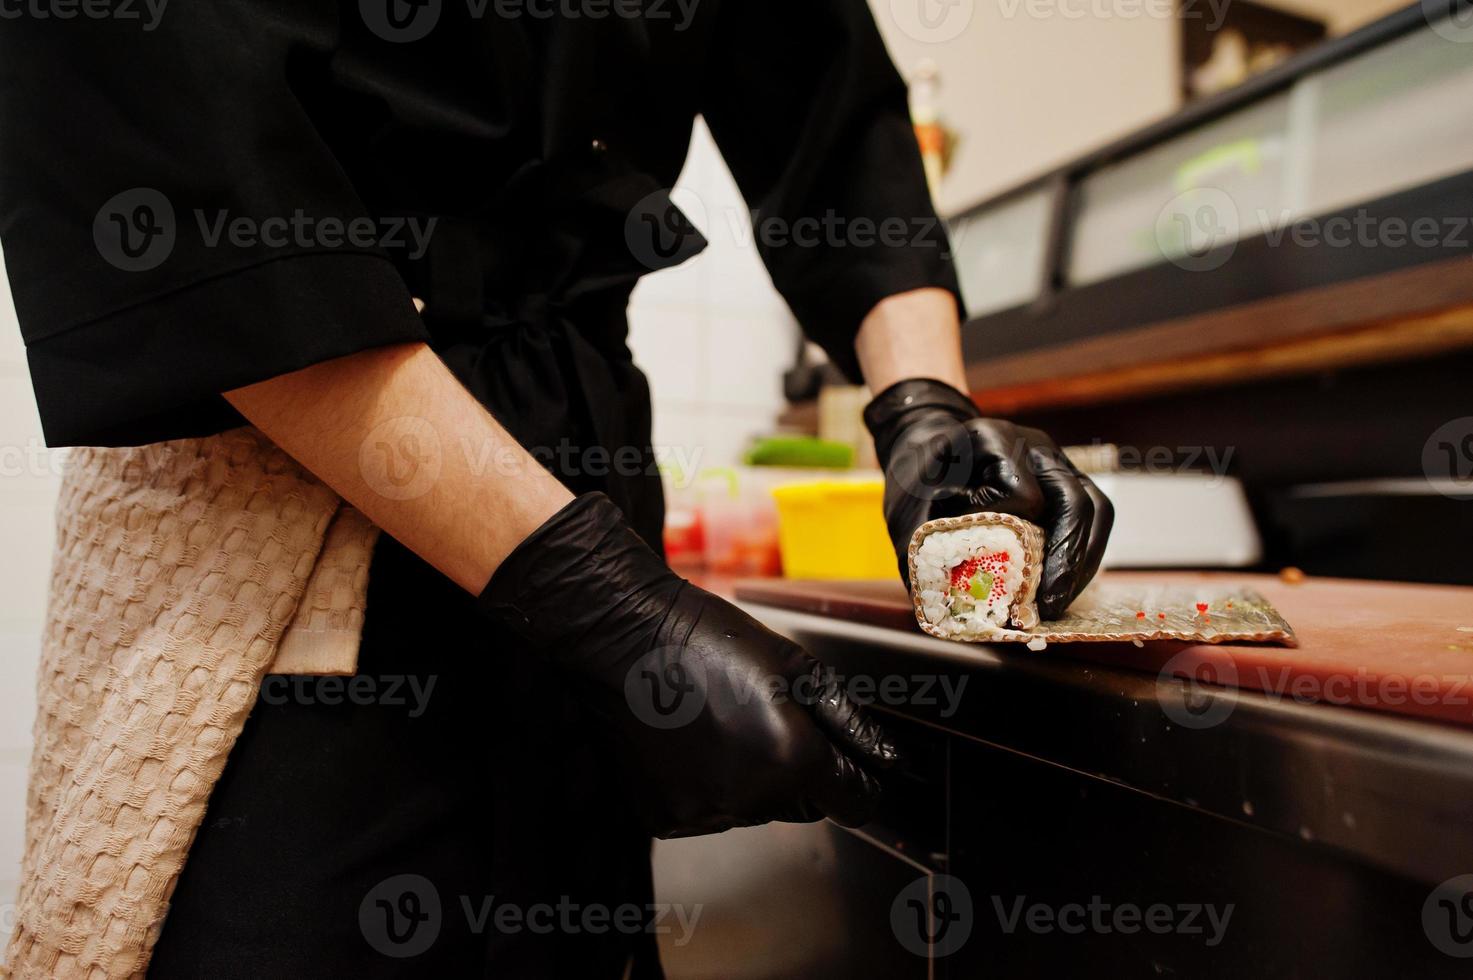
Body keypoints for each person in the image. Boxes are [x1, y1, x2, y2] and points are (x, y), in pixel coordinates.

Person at [0, 1, 1112, 976]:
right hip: (293, 485)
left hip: (583, 473)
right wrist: (600, 601)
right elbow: (183, 162)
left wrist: (924, 407)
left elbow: (831, 105)